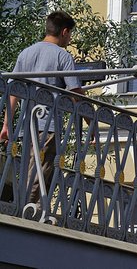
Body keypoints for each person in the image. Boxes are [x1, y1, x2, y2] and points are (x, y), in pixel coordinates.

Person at [1, 11, 84, 205]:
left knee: (30, 167)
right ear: (64, 31)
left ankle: (26, 206)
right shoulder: (62, 57)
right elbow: (76, 94)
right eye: (70, 34)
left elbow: (13, 91)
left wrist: (7, 125)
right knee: (42, 169)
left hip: (27, 124)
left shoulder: (26, 53)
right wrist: (92, 123)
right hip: (49, 125)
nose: (69, 38)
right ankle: (29, 210)